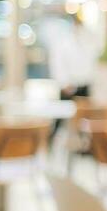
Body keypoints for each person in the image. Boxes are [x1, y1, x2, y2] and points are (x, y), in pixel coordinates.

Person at [44, 12, 100, 143]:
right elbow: (57, 64)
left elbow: (91, 61)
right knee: (60, 118)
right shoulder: (63, 42)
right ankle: (50, 143)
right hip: (68, 86)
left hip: (84, 84)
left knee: (84, 118)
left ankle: (83, 146)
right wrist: (63, 83)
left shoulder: (86, 40)